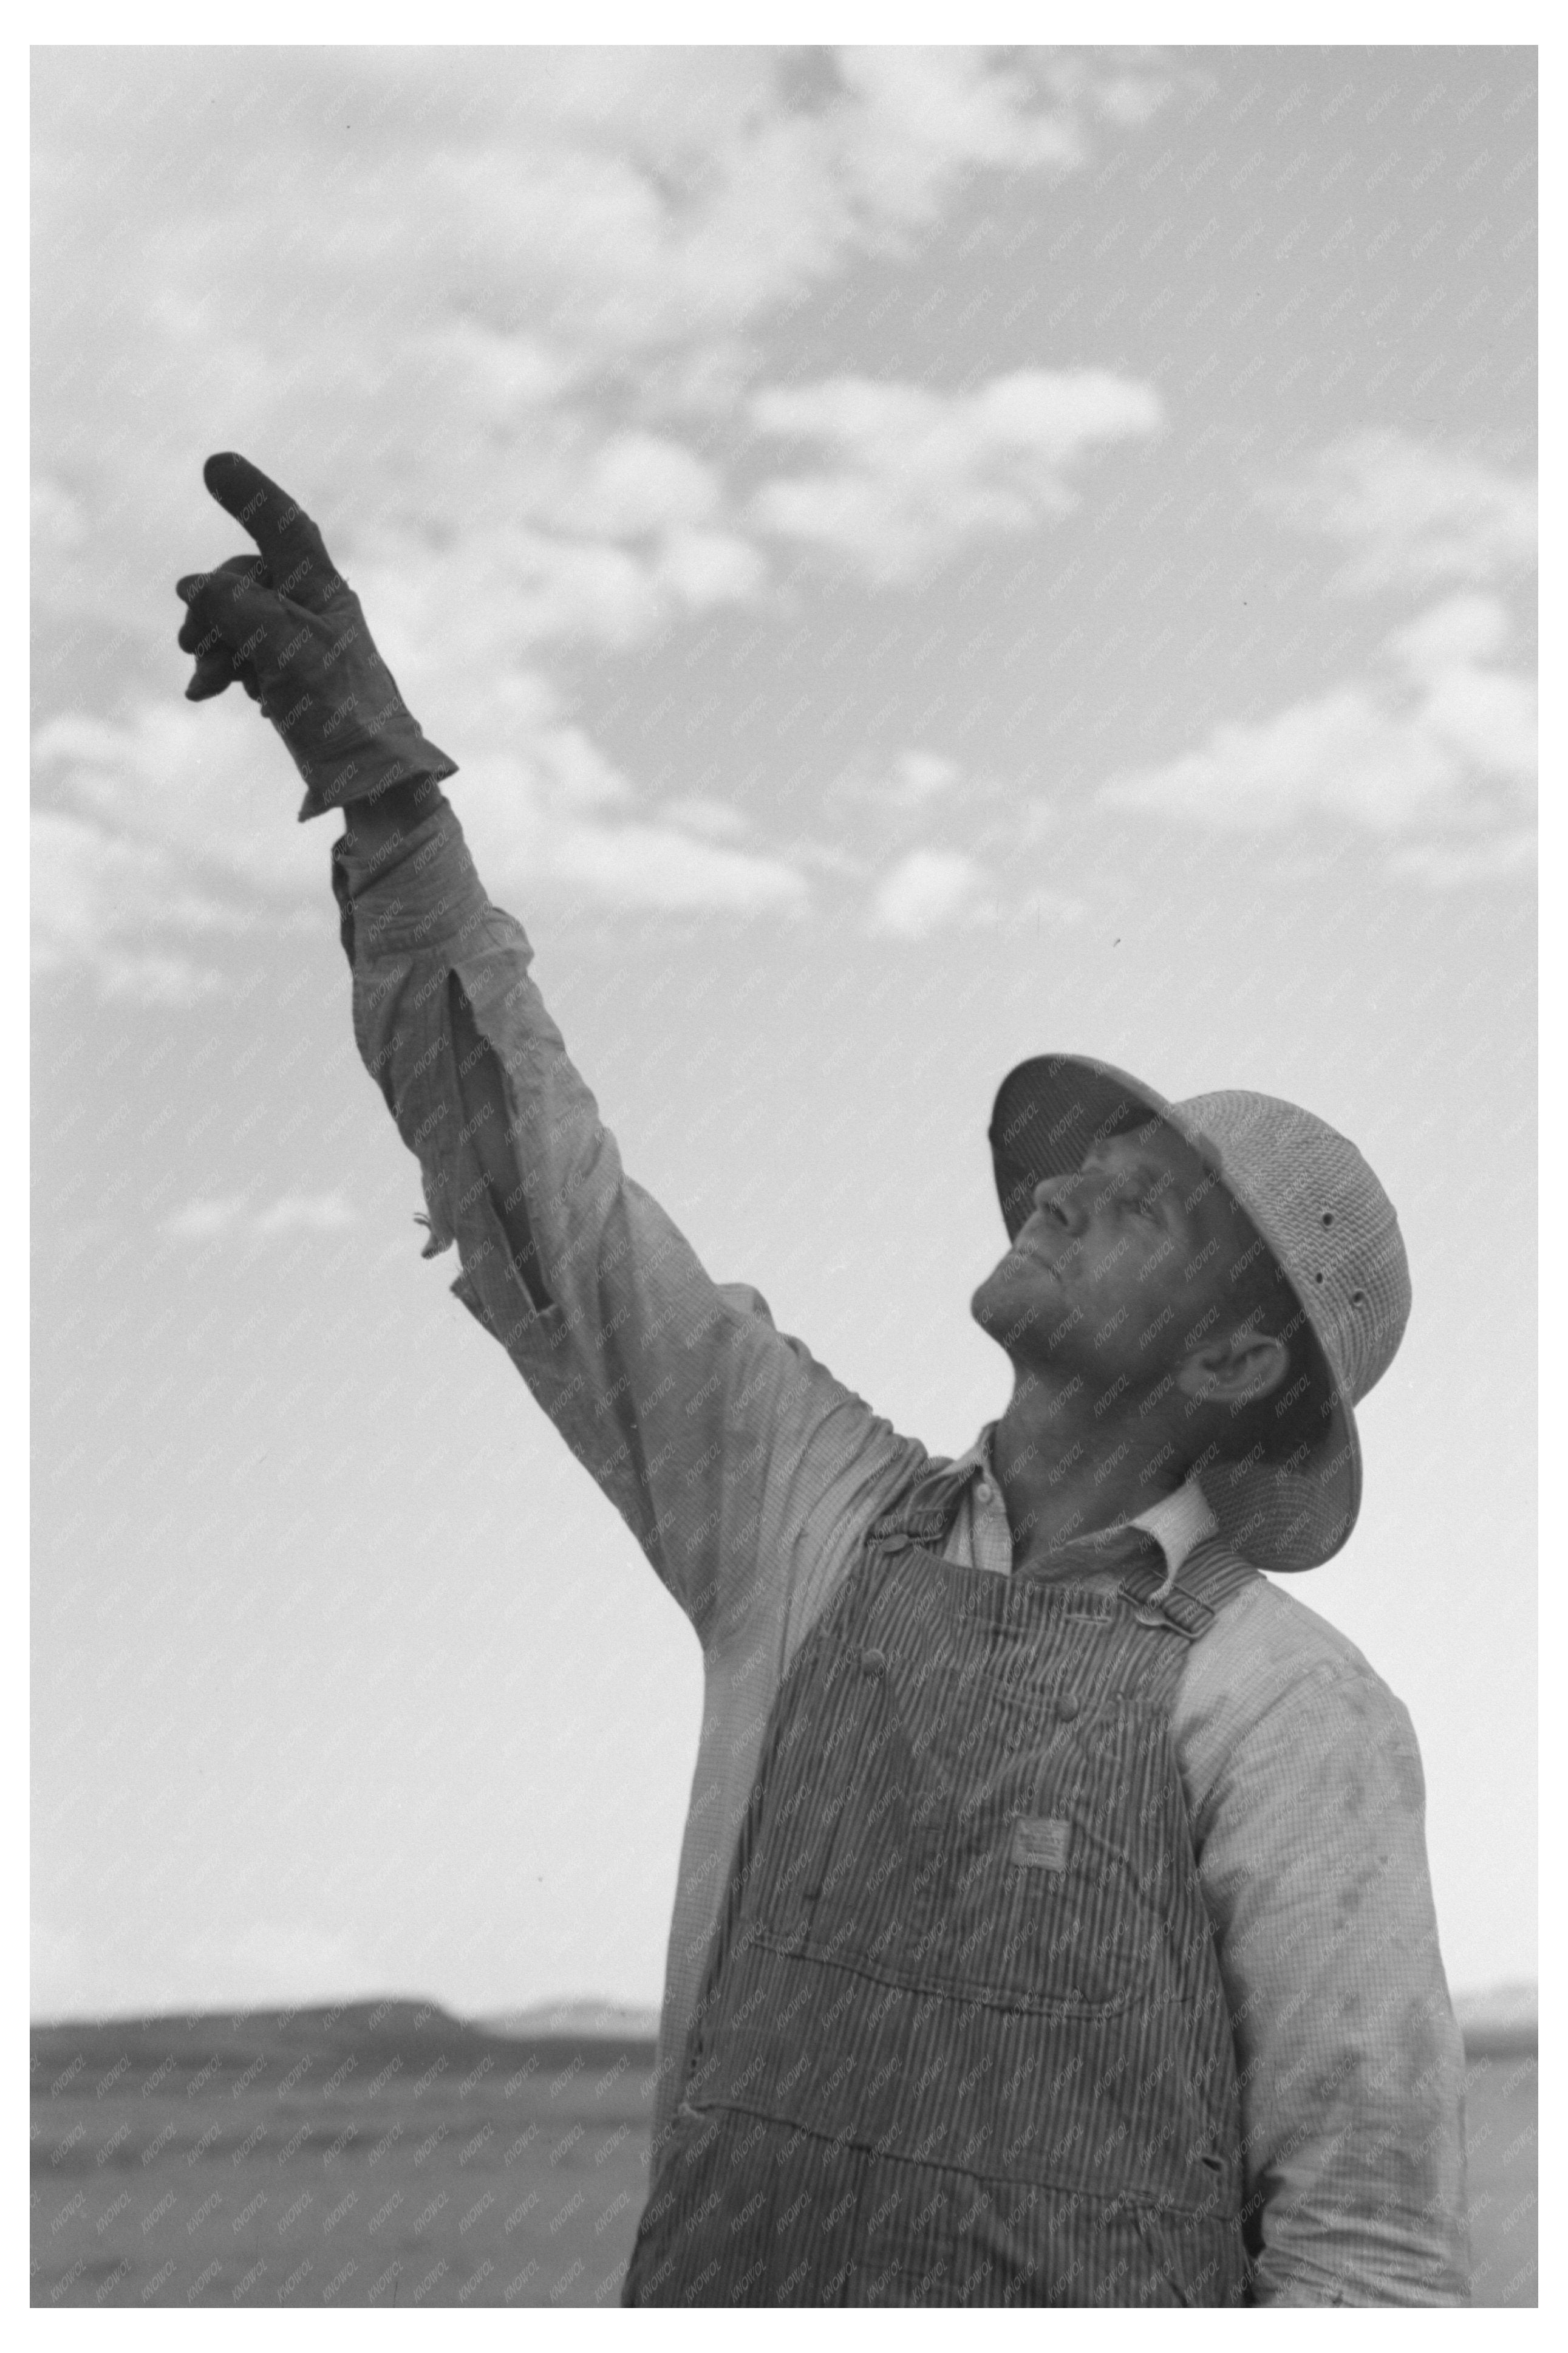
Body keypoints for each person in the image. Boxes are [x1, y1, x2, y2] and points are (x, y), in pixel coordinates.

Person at [176, 454, 1470, 2308]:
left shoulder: (1297, 1718)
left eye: (1151, 1186)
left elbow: (1371, 2259)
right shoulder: (802, 1514)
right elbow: (548, 1196)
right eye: (1073, 1154)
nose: (1064, 1176)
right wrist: (392, 800)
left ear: (1240, 1350)